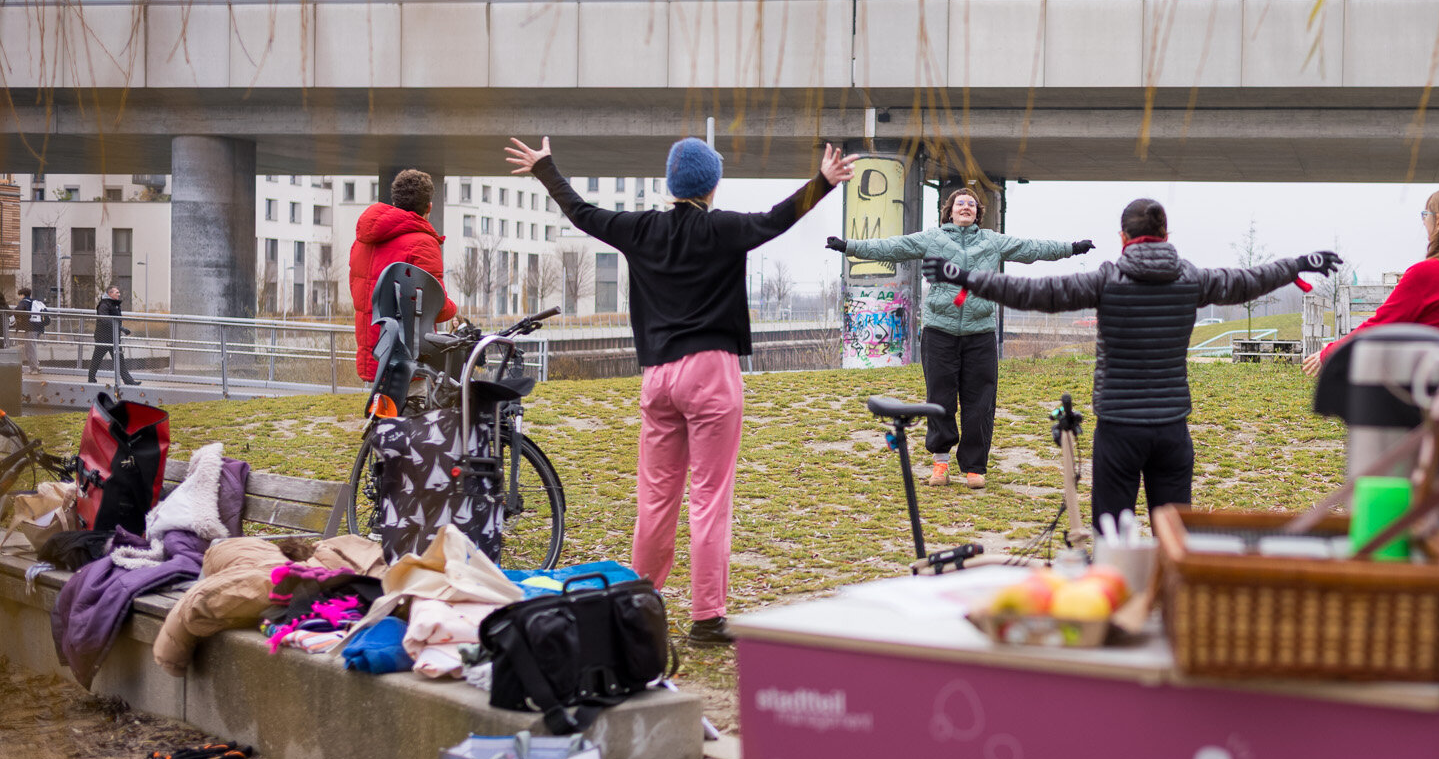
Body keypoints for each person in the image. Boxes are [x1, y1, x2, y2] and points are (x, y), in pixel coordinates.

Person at [504, 133, 858, 648]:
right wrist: (822, 183)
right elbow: (776, 219)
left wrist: (546, 169)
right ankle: (707, 618)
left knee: (655, 496)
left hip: (658, 377)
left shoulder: (640, 228)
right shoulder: (723, 228)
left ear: (671, 183)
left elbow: (581, 213)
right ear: (712, 185)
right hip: (711, 373)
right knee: (709, 497)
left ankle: (637, 608)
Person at [925, 198, 1338, 527]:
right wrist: (1298, 265)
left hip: (1118, 427)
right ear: (1166, 235)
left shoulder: (1107, 279)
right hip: (1172, 428)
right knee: (1173, 535)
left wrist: (965, 276)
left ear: (1122, 236)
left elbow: (1036, 292)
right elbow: (1249, 280)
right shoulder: (1191, 278)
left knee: (1110, 533)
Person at [827, 186, 1090, 488]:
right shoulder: (932, 238)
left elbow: (1032, 248)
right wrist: (849, 246)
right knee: (940, 399)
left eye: (971, 204)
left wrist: (1071, 248)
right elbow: (892, 247)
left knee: (981, 402)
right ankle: (940, 463)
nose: (966, 207)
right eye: (960, 203)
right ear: (949, 211)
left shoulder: (992, 241)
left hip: (980, 333)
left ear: (978, 213)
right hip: (940, 331)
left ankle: (975, 468)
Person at [1303, 187, 1439, 376]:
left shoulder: (1424, 273)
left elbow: (1380, 326)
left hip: (1432, 384)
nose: (1424, 221)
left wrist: (1331, 352)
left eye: (1426, 215)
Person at [350, 169, 459, 381]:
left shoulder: (363, 241)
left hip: (373, 358)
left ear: (395, 202)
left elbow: (361, 295)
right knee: (419, 404)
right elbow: (435, 309)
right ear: (429, 207)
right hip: (408, 361)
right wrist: (454, 309)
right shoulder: (423, 243)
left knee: (380, 404)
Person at [87, 285, 139, 386]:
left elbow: (116, 320)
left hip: (114, 337)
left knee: (120, 360)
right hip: (103, 337)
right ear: (110, 294)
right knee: (97, 359)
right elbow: (105, 319)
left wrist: (119, 329)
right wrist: (121, 328)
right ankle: (91, 378)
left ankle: (129, 381)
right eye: (116, 292)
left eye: (118, 292)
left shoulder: (115, 304)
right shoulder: (104, 305)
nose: (119, 294)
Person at [16, 288, 44, 373]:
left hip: (31, 327)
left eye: (19, 295)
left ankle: (34, 368)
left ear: (22, 295)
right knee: (32, 347)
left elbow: (18, 310)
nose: (19, 297)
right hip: (40, 327)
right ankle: (35, 365)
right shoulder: (35, 302)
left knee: (30, 348)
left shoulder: (24, 302)